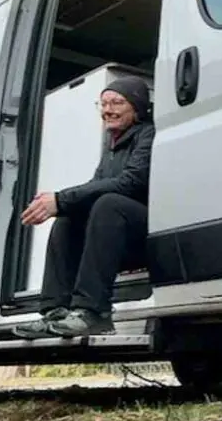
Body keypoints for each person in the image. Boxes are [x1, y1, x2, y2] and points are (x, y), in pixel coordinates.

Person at [13, 76, 155, 338]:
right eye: (103, 104)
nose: (107, 110)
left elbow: (131, 183)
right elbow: (96, 185)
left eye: (116, 103)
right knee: (67, 218)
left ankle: (94, 313)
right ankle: (55, 311)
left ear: (137, 107)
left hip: (148, 233)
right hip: (113, 237)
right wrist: (61, 204)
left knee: (108, 204)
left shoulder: (148, 134)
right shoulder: (113, 146)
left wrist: (61, 198)